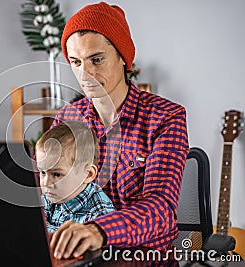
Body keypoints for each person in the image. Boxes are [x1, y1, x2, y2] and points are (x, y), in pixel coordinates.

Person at [49, 1, 190, 260]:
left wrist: (98, 231)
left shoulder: (166, 117)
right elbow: (49, 194)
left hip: (144, 257)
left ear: (123, 57)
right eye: (75, 62)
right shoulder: (67, 118)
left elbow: (160, 208)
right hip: (80, 257)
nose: (85, 73)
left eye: (96, 59)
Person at [35, 120, 115, 233]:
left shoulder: (99, 214)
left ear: (88, 174)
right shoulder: (50, 197)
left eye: (57, 174)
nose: (46, 183)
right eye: (43, 172)